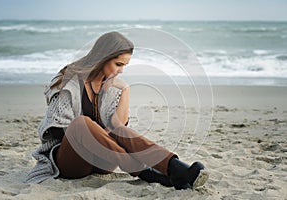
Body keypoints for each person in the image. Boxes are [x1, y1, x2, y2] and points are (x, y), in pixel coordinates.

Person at [24, 31, 209, 190]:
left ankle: (175, 168)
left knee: (120, 130)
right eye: (118, 64)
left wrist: (125, 88)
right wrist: (93, 133)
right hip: (71, 163)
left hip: (103, 160)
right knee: (81, 124)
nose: (121, 71)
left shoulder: (111, 87)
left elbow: (118, 126)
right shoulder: (69, 82)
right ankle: (146, 171)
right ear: (103, 57)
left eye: (124, 66)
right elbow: (58, 131)